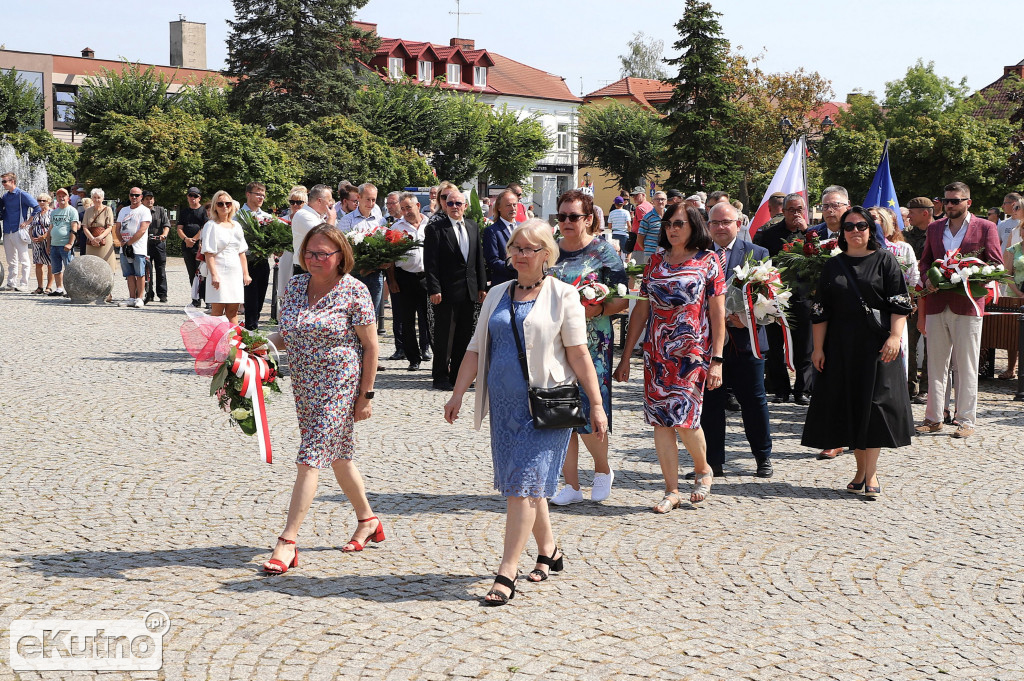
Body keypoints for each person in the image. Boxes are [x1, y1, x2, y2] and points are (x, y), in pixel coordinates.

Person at [443, 219, 607, 605]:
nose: (519, 254)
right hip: (504, 408)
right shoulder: (498, 292)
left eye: (528, 248)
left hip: (544, 407)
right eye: (515, 247)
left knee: (522, 487)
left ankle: (506, 572)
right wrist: (457, 394)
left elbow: (579, 353)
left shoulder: (564, 295)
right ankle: (549, 549)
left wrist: (596, 404)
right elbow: (475, 348)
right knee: (529, 487)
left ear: (546, 254)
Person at [262, 223, 382, 574]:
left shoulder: (354, 291)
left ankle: (287, 541)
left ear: (340, 255)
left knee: (310, 456)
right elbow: (288, 334)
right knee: (340, 457)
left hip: (340, 387)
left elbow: (371, 346)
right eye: (310, 252)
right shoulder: (297, 285)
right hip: (305, 386)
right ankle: (368, 520)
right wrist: (253, 345)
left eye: (323, 254)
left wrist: (366, 396)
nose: (315, 259)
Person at [613, 204, 726, 511]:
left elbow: (718, 315)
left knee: (687, 421)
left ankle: (703, 468)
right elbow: (641, 310)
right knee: (661, 422)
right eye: (668, 224)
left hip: (692, 354)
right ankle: (671, 490)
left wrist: (717, 358)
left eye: (679, 223)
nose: (672, 229)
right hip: (657, 354)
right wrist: (625, 357)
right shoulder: (654, 262)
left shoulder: (708, 260)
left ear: (694, 227)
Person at [802, 207, 914, 499]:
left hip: (877, 345)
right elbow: (820, 311)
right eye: (849, 226)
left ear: (870, 229)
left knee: (874, 406)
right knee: (852, 406)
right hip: (840, 346)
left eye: (861, 225)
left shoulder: (885, 261)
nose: (855, 231)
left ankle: (872, 472)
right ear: (842, 232)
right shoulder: (833, 265)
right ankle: (860, 471)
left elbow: (900, 304)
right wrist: (818, 348)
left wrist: (894, 336)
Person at [547, 190, 628, 505]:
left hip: (593, 340)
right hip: (555, 340)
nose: (567, 222)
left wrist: (598, 309)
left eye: (574, 216)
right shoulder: (549, 251)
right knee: (561, 409)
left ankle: (602, 469)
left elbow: (622, 298)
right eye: (562, 216)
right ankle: (571, 484)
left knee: (589, 406)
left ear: (589, 218)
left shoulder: (604, 252)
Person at [915, 182, 1003, 439]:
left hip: (968, 304)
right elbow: (925, 263)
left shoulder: (986, 227)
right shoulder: (933, 228)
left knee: (966, 364)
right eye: (947, 200)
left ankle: (965, 419)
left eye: (955, 200)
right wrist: (929, 278)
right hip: (936, 302)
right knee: (935, 363)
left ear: (968, 202)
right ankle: (934, 417)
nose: (950, 205)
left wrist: (966, 276)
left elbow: (995, 264)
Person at [702, 201, 774, 478]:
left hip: (747, 342)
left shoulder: (757, 253)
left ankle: (762, 457)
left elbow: (769, 299)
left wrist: (744, 319)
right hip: (709, 343)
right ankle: (713, 462)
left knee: (754, 402)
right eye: (715, 223)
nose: (721, 227)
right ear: (708, 226)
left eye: (726, 222)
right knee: (711, 405)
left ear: (739, 224)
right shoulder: (699, 256)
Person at [423, 186, 487, 390]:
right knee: (444, 338)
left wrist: (482, 286)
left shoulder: (472, 226)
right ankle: (440, 376)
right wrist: (434, 289)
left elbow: (478, 259)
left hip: (469, 291)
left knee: (464, 337)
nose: (454, 207)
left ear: (465, 206)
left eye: (458, 203)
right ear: (444, 205)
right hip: (445, 292)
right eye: (449, 203)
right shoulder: (436, 228)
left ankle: (458, 376)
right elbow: (430, 262)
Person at [754, 193, 814, 404]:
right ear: (783, 211)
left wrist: (807, 232)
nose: (795, 214)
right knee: (775, 345)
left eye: (799, 210)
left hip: (803, 296)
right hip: (775, 296)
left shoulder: (813, 234)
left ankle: (802, 390)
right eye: (791, 210)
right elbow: (759, 263)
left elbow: (819, 260)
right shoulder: (769, 234)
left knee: (804, 346)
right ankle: (780, 389)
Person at [392, 192, 433, 371]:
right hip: (405, 278)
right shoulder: (396, 227)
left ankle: (434, 354)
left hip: (427, 278)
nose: (406, 212)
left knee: (429, 320)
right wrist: (392, 280)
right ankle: (413, 358)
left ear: (417, 206)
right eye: (402, 209)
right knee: (407, 321)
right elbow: (390, 258)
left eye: (409, 207)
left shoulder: (430, 225)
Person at [201, 191, 251, 325]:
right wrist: (214, 275)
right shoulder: (211, 226)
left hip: (234, 272)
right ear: (215, 206)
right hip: (219, 271)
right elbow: (208, 253)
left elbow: (241, 252)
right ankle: (215, 343)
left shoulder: (237, 226)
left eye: (227, 203)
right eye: (220, 203)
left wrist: (245, 274)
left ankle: (233, 343)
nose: (224, 206)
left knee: (233, 313)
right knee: (217, 313)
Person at [904, 197, 933, 402]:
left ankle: (927, 388)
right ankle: (909, 385)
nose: (908, 215)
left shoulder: (938, 233)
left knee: (932, 345)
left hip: (932, 295)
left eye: (912, 212)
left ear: (925, 213)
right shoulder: (905, 237)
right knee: (909, 341)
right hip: (910, 295)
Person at [2, 172, 41, 291]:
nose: (3, 184)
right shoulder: (5, 196)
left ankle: (24, 283)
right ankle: (11, 283)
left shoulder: (22, 194)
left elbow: (37, 207)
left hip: (19, 230)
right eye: (2, 181)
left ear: (12, 181)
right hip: (7, 230)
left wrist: (28, 222)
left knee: (24, 258)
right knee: (10, 259)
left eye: (5, 181)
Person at [116, 187, 152, 308]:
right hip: (124, 246)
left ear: (141, 196)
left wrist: (130, 243)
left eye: (137, 195)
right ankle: (131, 297)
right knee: (129, 274)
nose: (134, 197)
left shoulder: (144, 210)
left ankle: (139, 298)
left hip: (138, 247)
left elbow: (143, 229)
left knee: (140, 273)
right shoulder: (124, 210)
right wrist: (121, 241)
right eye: (132, 195)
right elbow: (117, 227)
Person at [176, 187, 208, 307]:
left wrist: (194, 239)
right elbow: (179, 228)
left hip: (199, 246)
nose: (192, 198)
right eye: (190, 195)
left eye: (195, 196)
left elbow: (205, 227)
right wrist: (186, 239)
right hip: (187, 246)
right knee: (191, 273)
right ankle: (196, 298)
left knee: (202, 273)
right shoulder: (184, 212)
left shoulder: (203, 211)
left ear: (199, 197)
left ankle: (207, 299)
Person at [275, 186, 308, 304]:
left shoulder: (310, 220)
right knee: (286, 291)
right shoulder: (282, 221)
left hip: (303, 259)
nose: (295, 205)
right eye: (292, 202)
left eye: (299, 202)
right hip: (287, 257)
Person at [482, 189, 519, 287]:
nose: (513, 208)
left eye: (514, 205)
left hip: (524, 284)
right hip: (503, 285)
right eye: (508, 205)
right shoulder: (492, 231)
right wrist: (516, 266)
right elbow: (493, 261)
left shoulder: (523, 228)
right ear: (499, 208)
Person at [46, 188, 79, 297]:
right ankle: (59, 288)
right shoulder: (54, 212)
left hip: (65, 244)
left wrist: (70, 243)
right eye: (59, 196)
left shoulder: (72, 210)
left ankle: (72, 289)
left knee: (69, 268)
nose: (61, 198)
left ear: (68, 197)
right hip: (54, 244)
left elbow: (74, 227)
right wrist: (48, 244)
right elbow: (50, 229)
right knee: (56, 268)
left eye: (63, 196)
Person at [141, 190, 171, 303]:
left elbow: (166, 225)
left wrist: (164, 235)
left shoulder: (160, 210)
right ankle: (149, 293)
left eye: (151, 198)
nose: (150, 201)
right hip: (145, 244)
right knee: (146, 270)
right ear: (142, 200)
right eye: (147, 199)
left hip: (158, 243)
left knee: (161, 270)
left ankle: (162, 294)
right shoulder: (140, 211)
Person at [27, 193, 53, 294]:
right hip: (36, 243)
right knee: (38, 264)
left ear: (49, 202)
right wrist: (31, 237)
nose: (41, 202)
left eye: (44, 201)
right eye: (39, 200)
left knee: (50, 264)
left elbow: (52, 226)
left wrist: (44, 236)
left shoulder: (52, 213)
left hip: (48, 241)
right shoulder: (36, 214)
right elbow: (31, 227)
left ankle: (49, 287)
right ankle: (39, 287)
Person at [636, 190, 668, 265]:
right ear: (653, 202)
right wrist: (647, 250)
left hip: (667, 254)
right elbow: (640, 238)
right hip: (651, 255)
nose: (660, 201)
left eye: (662, 199)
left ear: (666, 201)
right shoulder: (647, 217)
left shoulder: (670, 216)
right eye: (657, 199)